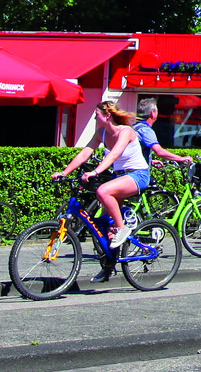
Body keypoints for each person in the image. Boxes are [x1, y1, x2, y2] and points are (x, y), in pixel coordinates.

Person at [54, 101, 152, 279]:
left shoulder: (125, 131)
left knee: (103, 191)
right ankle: (108, 267)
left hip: (138, 175)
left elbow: (114, 154)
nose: (95, 118)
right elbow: (85, 153)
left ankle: (122, 228)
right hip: (119, 177)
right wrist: (64, 172)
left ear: (107, 115)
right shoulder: (101, 133)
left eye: (96, 115)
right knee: (102, 226)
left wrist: (95, 172)